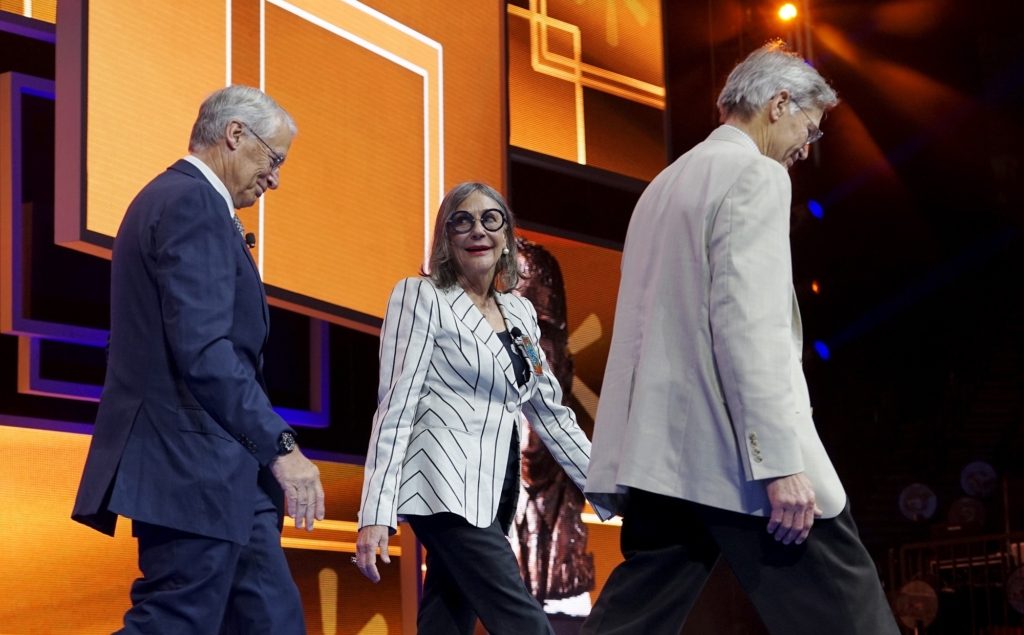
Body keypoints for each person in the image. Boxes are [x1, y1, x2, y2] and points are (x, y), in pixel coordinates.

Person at [582, 43, 900, 634]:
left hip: (657, 458)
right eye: (809, 127)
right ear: (778, 104)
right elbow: (747, 323)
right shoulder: (757, 174)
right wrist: (778, 462)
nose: (806, 146)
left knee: (635, 618)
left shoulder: (662, 185)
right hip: (732, 456)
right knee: (850, 609)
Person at [71, 85, 325, 635]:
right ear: (235, 134)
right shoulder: (192, 202)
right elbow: (205, 349)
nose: (275, 179)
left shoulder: (178, 199)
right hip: (190, 466)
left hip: (225, 471)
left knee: (273, 623)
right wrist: (281, 446)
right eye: (274, 160)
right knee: (173, 623)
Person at [355, 182, 610, 635]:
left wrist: (602, 485)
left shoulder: (520, 313)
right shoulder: (422, 296)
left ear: (506, 236)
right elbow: (395, 405)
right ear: (446, 237)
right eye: (463, 221)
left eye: (491, 219)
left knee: (446, 616)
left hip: (494, 491)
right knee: (521, 619)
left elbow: (550, 413)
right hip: (440, 486)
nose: (478, 230)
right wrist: (375, 511)